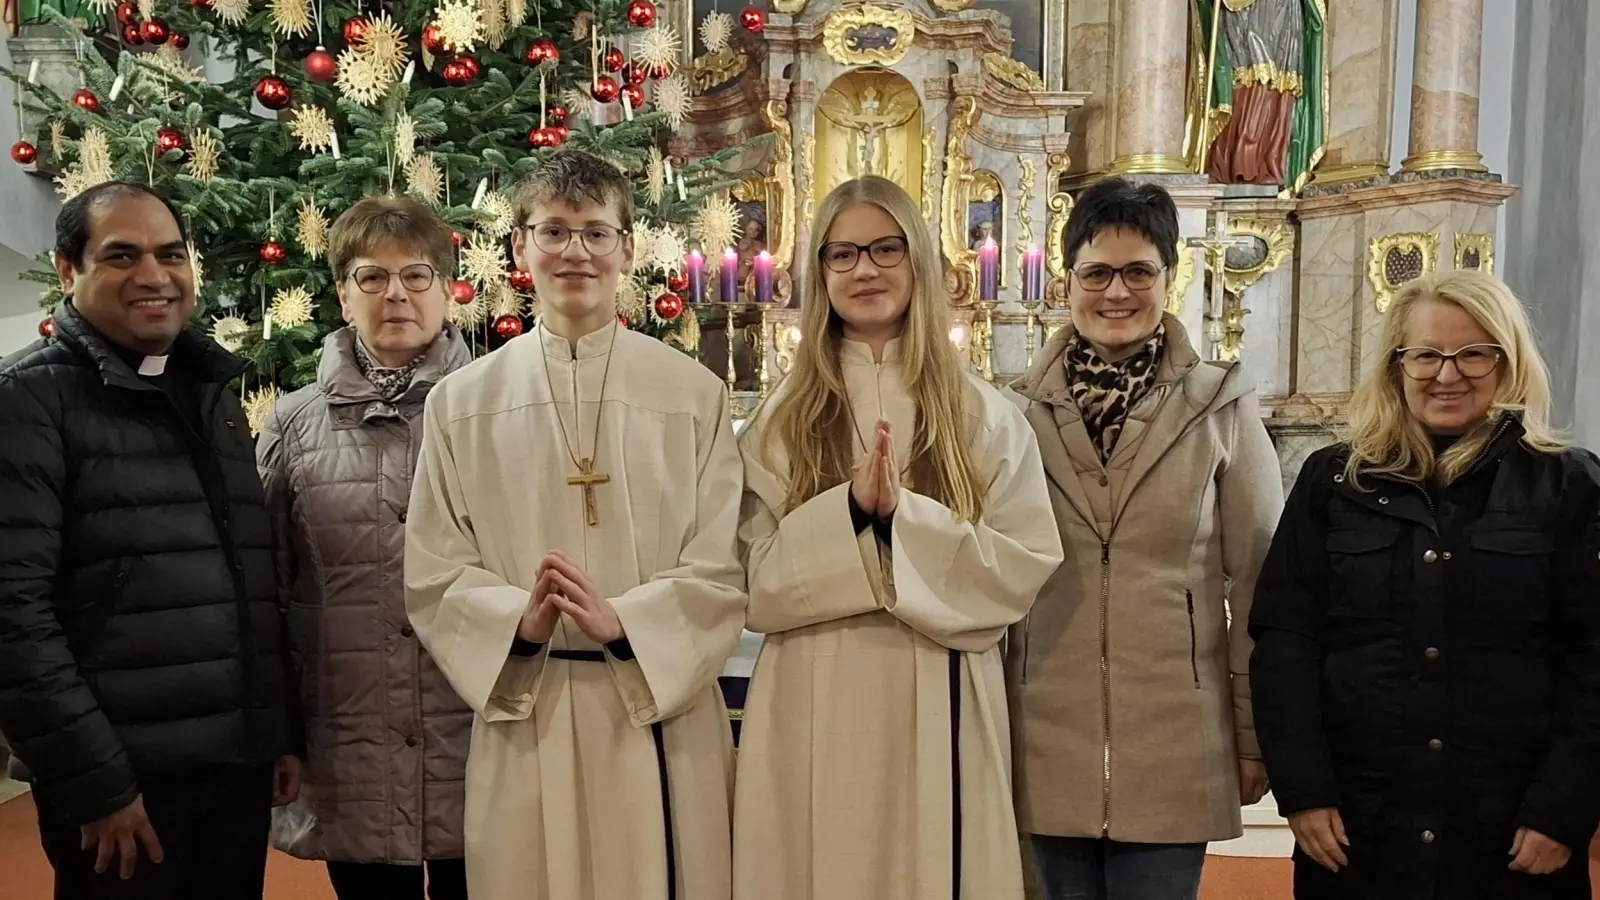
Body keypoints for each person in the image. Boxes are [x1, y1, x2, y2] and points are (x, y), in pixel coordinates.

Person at [404, 150, 747, 899]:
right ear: (521, 247)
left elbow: (723, 565)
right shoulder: (462, 403)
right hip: (531, 706)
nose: (575, 252)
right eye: (553, 231)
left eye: (596, 232)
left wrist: (626, 621)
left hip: (657, 710)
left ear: (628, 248)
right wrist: (516, 624)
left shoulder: (691, 393)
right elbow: (434, 571)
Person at [732, 175, 1064, 900]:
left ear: (918, 261)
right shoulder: (781, 418)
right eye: (842, 254)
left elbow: (1022, 565)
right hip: (812, 683)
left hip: (937, 681)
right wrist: (849, 512)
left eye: (885, 249)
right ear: (819, 272)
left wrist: (903, 517)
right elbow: (747, 577)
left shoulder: (981, 412)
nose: (865, 270)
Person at [1250, 270, 1600, 900]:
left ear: (1509, 362)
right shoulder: (1332, 482)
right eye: (1427, 355)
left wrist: (1562, 808)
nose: (1448, 374)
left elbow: (1594, 659)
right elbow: (1285, 642)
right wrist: (1302, 790)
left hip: (1510, 828)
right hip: (1361, 825)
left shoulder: (1569, 485)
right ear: (1396, 365)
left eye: (1474, 353)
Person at [0, 181, 299, 899]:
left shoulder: (210, 395)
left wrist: (274, 730)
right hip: (122, 785)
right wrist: (96, 785)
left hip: (231, 769)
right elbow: (12, 615)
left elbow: (247, 578)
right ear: (68, 270)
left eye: (171, 254)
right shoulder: (28, 404)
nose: (154, 275)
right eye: (122, 256)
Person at [1007, 177, 1284, 900]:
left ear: (1170, 276)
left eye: (1139, 271)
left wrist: (1254, 736)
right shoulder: (1012, 412)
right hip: (1040, 733)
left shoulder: (1220, 405)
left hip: (1175, 737)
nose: (1117, 292)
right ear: (1068, 282)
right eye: (1097, 272)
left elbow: (1259, 583)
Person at [258, 195, 475, 899]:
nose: (397, 295)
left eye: (416, 276)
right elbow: (266, 587)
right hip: (347, 733)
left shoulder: (496, 408)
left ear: (448, 289)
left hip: (471, 730)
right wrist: (277, 726)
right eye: (371, 278)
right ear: (343, 296)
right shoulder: (292, 426)